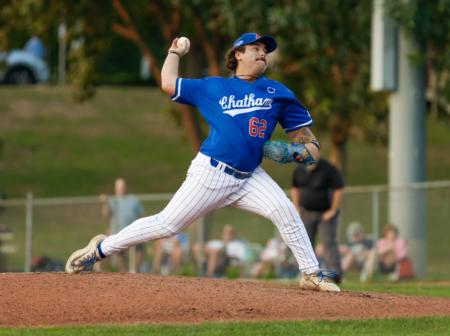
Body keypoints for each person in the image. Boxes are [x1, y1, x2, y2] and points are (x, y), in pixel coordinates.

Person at [66, 32, 340, 292]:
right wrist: (175, 52)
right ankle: (100, 249)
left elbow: (313, 147)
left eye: (265, 50)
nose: (263, 53)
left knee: (286, 211)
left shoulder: (277, 92)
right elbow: (168, 82)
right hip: (211, 173)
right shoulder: (214, 87)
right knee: (167, 225)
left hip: (250, 177)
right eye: (256, 48)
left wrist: (296, 153)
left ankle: (311, 274)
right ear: (238, 55)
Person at [291, 158, 344, 283]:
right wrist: (297, 207)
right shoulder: (299, 169)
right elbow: (295, 188)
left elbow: (338, 189)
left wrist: (333, 210)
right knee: (306, 244)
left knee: (329, 243)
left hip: (325, 213)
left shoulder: (328, 169)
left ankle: (334, 275)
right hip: (306, 212)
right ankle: (308, 274)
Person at [99, 178, 144, 272]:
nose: (121, 188)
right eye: (119, 186)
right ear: (115, 188)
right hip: (117, 231)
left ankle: (135, 270)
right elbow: (106, 215)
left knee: (140, 245)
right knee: (115, 249)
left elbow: (140, 214)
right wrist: (104, 203)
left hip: (132, 230)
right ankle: (121, 272)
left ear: (126, 187)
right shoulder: (112, 201)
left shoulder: (133, 200)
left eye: (122, 186)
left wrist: (141, 227)